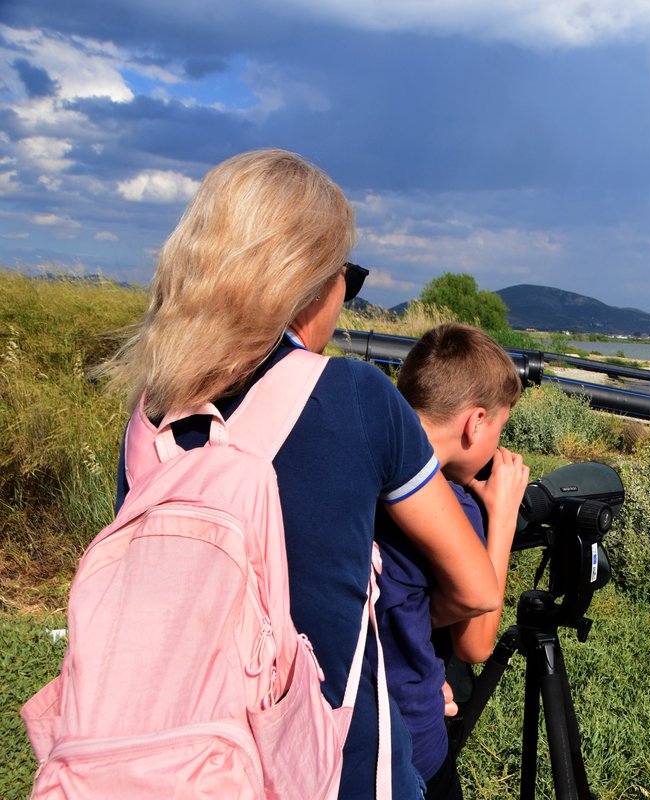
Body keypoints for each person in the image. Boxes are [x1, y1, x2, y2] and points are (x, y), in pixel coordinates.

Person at [102, 149, 500, 799]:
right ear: (309, 282)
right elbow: (473, 582)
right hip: (330, 769)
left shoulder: (151, 410)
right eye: (350, 275)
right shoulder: (355, 395)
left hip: (182, 761)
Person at [376, 323, 529, 799]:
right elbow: (475, 645)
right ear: (475, 422)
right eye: (499, 429)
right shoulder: (449, 507)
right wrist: (500, 518)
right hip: (409, 743)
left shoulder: (361, 462)